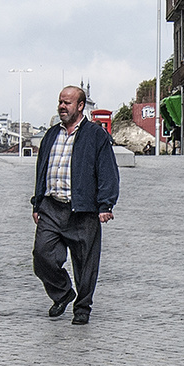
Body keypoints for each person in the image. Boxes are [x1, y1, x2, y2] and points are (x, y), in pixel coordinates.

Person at [31, 86, 119, 325]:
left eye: (67, 103)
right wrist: (37, 203)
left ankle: (82, 308)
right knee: (42, 255)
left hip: (83, 209)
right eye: (60, 102)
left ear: (80, 106)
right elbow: (41, 170)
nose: (62, 106)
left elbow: (108, 172)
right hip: (51, 206)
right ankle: (63, 292)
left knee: (85, 263)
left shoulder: (96, 135)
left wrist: (105, 205)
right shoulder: (50, 135)